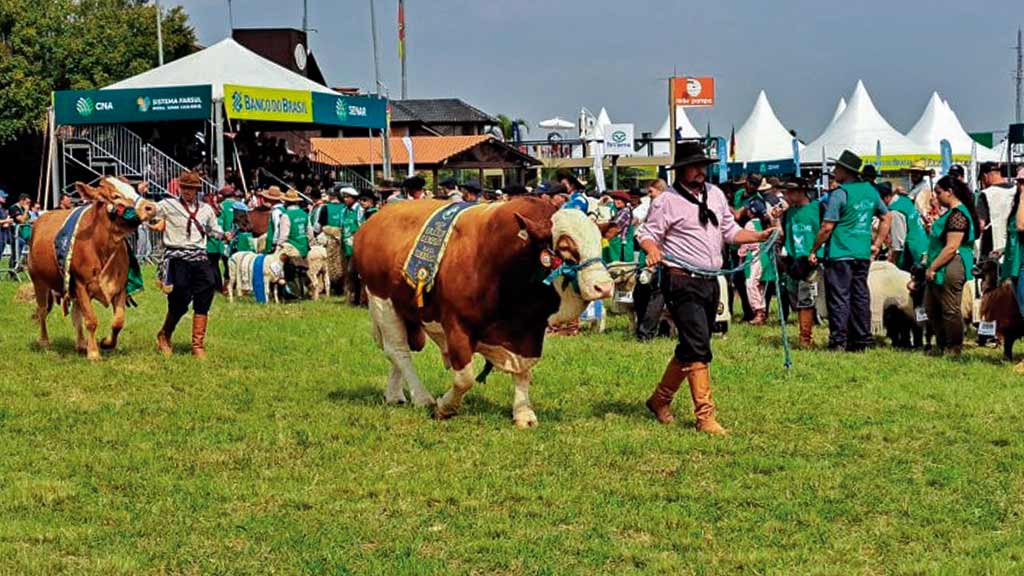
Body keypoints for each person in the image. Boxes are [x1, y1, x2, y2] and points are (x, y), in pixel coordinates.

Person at [638, 141, 774, 434]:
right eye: (695, 166)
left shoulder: (715, 195)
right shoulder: (666, 200)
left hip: (711, 280)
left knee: (692, 343)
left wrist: (759, 235)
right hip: (681, 278)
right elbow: (648, 233)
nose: (701, 171)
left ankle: (659, 400)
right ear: (680, 170)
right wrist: (651, 249)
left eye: (704, 166)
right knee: (699, 344)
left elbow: (730, 230)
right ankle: (705, 416)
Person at [809, 150, 892, 352]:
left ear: (845, 171)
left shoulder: (840, 194)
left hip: (840, 253)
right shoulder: (870, 191)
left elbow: (827, 227)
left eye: (836, 168)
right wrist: (877, 243)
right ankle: (862, 339)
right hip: (862, 254)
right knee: (860, 296)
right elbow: (886, 217)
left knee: (839, 298)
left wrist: (814, 249)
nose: (834, 171)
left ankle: (838, 340)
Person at [153, 171, 231, 358]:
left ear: (197, 190)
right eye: (185, 187)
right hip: (177, 256)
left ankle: (197, 344)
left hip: (199, 256)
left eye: (192, 188)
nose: (188, 191)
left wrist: (223, 235)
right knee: (180, 296)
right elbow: (149, 212)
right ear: (180, 188)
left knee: (206, 291)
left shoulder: (205, 209)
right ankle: (165, 334)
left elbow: (213, 229)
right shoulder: (167, 205)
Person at [924, 176, 979, 357]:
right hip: (940, 262)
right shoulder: (950, 213)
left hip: (951, 264)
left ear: (950, 192)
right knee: (932, 307)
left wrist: (933, 267)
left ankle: (954, 347)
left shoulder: (959, 215)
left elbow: (952, 247)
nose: (936, 197)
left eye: (939, 193)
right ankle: (941, 344)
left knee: (949, 308)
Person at [780, 178, 822, 348]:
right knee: (794, 297)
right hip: (792, 260)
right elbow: (783, 235)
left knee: (806, 298)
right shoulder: (789, 213)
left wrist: (817, 252)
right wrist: (775, 219)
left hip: (811, 260)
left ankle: (805, 337)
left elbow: (825, 230)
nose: (786, 195)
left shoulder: (817, 209)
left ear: (801, 192)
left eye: (790, 192)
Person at [632, 180, 668, 341]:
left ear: (660, 191)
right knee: (640, 293)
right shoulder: (653, 207)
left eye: (651, 192)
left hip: (661, 258)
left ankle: (646, 333)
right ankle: (644, 328)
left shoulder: (666, 207)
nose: (649, 195)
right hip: (647, 257)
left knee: (657, 294)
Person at [879, 182, 928, 272]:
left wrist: (891, 263)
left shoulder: (895, 212)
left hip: (911, 253)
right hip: (922, 243)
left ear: (886, 198)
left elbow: (898, 243)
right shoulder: (904, 200)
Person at [977, 162, 1015, 259]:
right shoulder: (1016, 190)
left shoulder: (986, 194)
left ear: (985, 176)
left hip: (993, 247)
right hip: (1014, 243)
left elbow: (981, 224)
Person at [207, 185, 238, 294]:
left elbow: (219, 225)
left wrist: (224, 236)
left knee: (226, 264)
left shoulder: (222, 207)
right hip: (240, 238)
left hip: (226, 239)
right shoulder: (241, 205)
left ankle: (225, 287)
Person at [604, 190, 635, 263]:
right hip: (619, 244)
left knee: (617, 266)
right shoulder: (620, 211)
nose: (616, 202)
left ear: (624, 201)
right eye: (615, 199)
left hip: (622, 245)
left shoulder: (625, 211)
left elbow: (615, 226)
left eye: (619, 200)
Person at [259, 186, 286, 254]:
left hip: (273, 242)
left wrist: (274, 242)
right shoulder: (283, 209)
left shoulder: (276, 211)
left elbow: (277, 227)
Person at [9, 193, 32, 270]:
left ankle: (19, 267)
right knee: (16, 253)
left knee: (24, 251)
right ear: (22, 201)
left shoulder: (24, 208)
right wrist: (26, 210)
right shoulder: (14, 208)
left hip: (24, 233)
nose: (28, 205)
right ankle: (13, 270)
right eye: (27, 202)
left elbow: (27, 219)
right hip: (15, 234)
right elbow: (22, 220)